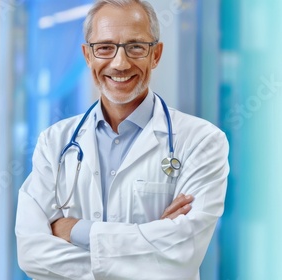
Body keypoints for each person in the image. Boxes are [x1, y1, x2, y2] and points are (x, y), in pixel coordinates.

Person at [15, 0, 229, 279]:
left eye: (136, 47)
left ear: (156, 54)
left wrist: (74, 229)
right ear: (87, 55)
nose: (119, 63)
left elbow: (181, 254)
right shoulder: (54, 142)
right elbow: (31, 253)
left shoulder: (202, 141)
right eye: (104, 47)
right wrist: (150, 244)